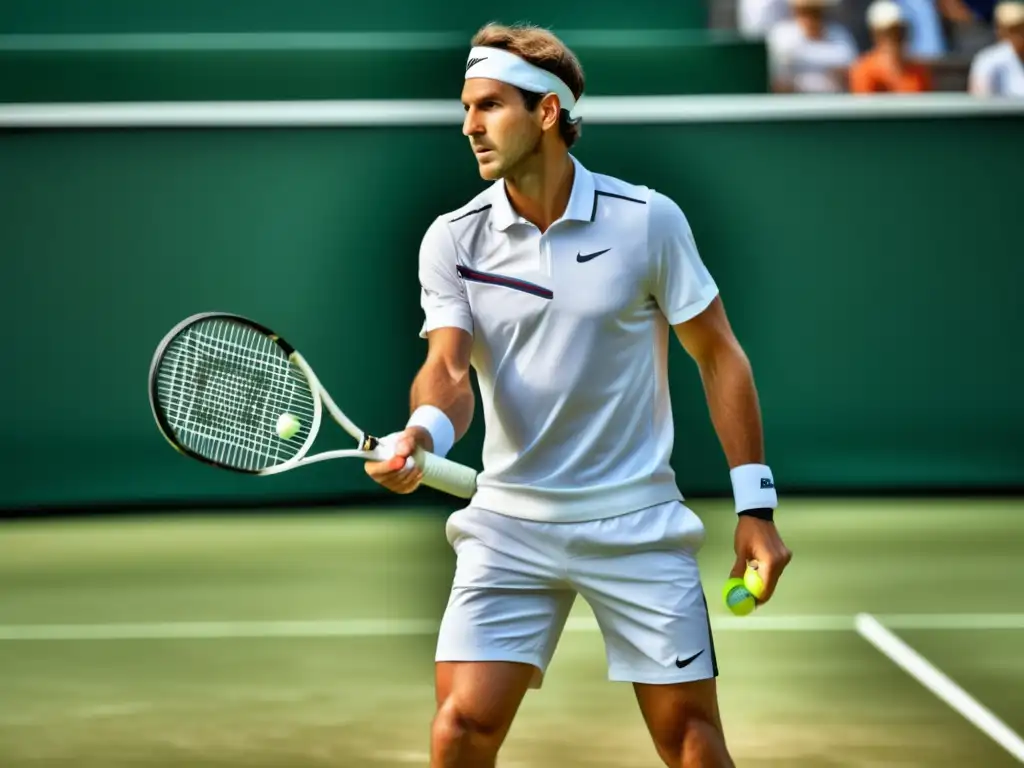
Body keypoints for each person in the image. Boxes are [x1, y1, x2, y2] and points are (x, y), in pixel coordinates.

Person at [365, 22, 793, 768]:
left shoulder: (647, 221)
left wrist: (755, 510)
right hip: (509, 527)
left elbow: (720, 358)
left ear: (548, 113)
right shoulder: (453, 239)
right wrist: (423, 432)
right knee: (458, 730)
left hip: (637, 522)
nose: (469, 126)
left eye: (490, 105)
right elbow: (451, 369)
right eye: (466, 108)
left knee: (691, 743)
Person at [767, 0, 860, 92]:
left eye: (815, 12)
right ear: (795, 11)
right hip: (793, 101)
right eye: (804, 12)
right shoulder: (781, 35)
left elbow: (852, 69)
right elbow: (778, 75)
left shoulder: (839, 34)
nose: (809, 17)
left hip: (835, 101)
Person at [850, 0, 935, 92]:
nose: (895, 39)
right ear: (875, 35)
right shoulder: (864, 71)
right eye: (888, 33)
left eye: (900, 32)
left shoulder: (918, 73)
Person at [968, 0, 1024, 95]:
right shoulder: (988, 60)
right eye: (1011, 29)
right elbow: (980, 102)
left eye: (1020, 28)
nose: (1017, 34)